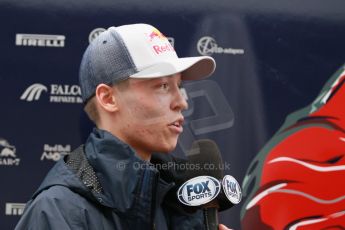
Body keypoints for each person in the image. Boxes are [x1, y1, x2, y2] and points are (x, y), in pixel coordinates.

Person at [15, 23, 230, 230]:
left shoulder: (178, 201)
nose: (182, 102)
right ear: (108, 98)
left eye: (179, 86)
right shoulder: (58, 210)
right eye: (163, 86)